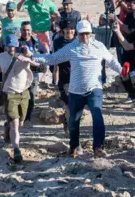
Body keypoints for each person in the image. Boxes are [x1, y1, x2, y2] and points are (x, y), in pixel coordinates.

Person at [24, 20, 122, 158]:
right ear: (78, 33)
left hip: (95, 88)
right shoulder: (71, 48)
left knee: (97, 116)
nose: (85, 37)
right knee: (73, 121)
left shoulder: (99, 46)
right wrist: (32, 55)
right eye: (82, 34)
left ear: (91, 33)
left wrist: (122, 71)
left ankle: (98, 147)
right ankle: (74, 146)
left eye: (87, 34)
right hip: (75, 90)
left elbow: (112, 61)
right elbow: (52, 59)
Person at [0, 34, 40, 163]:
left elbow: (40, 66)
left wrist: (29, 55)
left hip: (24, 92)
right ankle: (16, 149)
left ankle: (8, 127)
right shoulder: (0, 57)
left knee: (20, 122)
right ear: (5, 46)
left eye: (13, 45)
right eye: (9, 45)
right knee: (15, 124)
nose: (11, 48)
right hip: (9, 93)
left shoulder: (24, 56)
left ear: (17, 45)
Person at [18, 21, 47, 127]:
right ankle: (19, 118)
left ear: (31, 31)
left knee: (31, 96)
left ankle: (27, 119)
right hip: (20, 74)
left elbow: (45, 56)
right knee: (20, 96)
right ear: (20, 31)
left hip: (33, 74)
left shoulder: (36, 42)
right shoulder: (17, 42)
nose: (26, 32)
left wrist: (43, 72)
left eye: (28, 30)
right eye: (24, 30)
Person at [53, 20, 77, 135]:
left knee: (75, 105)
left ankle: (66, 119)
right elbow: (55, 62)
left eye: (71, 28)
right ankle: (69, 125)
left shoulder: (78, 42)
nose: (69, 31)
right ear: (63, 30)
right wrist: (55, 79)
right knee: (69, 104)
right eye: (67, 28)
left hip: (77, 78)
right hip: (64, 79)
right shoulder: (58, 42)